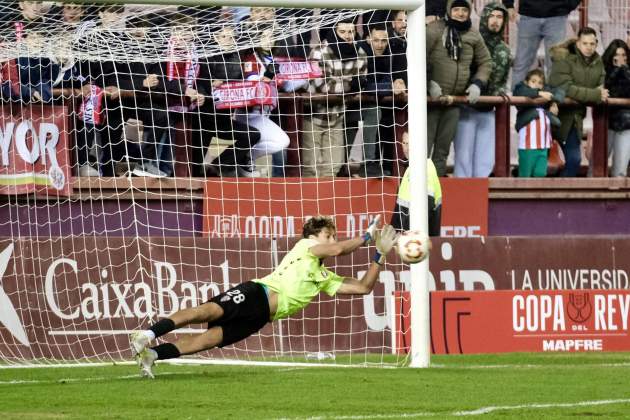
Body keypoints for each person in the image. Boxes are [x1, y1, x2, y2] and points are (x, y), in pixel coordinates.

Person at [129, 215, 399, 378]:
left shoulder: (323, 278)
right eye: (328, 235)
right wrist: (366, 236)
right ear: (314, 236)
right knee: (205, 312)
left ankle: (152, 354)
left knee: (208, 340)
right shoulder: (306, 247)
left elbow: (363, 287)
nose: (332, 240)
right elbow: (339, 250)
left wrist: (380, 254)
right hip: (256, 293)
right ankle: (148, 335)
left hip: (260, 317)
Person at [426, 0, 492, 176]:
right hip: (429, 101)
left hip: (454, 101)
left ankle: (436, 187)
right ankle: (415, 188)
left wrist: (477, 83)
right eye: (456, 9)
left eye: (464, 10)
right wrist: (428, 83)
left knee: (443, 150)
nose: (461, 13)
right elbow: (417, 57)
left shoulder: (474, 34)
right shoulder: (433, 29)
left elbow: (486, 62)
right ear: (449, 10)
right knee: (423, 148)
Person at [302, 18, 368, 177]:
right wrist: (350, 85)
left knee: (334, 166)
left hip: (337, 117)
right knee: (310, 168)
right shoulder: (319, 52)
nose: (348, 35)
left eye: (351, 31)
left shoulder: (361, 54)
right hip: (312, 116)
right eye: (343, 32)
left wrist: (351, 85)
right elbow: (322, 85)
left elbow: (362, 82)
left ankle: (326, 202)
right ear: (334, 32)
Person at [453, 2, 511, 178]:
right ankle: (462, 200)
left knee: (485, 161)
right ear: (485, 18)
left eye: (500, 17)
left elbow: (502, 80)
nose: (495, 21)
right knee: (463, 158)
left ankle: (480, 200)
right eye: (492, 16)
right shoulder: (471, 42)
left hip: (489, 110)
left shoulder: (505, 50)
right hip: (466, 108)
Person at [548, 27, 607, 177]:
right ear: (578, 43)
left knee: (574, 160)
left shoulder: (598, 62)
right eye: (585, 43)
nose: (589, 47)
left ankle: (560, 196)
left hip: (573, 120)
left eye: (592, 44)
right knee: (538, 164)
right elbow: (565, 88)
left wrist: (594, 93)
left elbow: (602, 86)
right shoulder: (564, 58)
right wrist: (594, 94)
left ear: (596, 43)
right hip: (550, 116)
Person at [510, 0, 582, 91]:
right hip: (528, 16)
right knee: (521, 63)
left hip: (557, 17)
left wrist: (567, 5)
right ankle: (515, 101)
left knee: (555, 64)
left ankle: (554, 102)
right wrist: (508, 4)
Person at [514, 69, 564, 177]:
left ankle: (536, 194)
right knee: (525, 175)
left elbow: (560, 91)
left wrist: (554, 102)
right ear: (526, 82)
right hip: (527, 146)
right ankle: (521, 194)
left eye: (540, 83)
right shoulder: (522, 90)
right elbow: (519, 91)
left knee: (540, 174)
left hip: (544, 145)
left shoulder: (546, 99)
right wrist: (539, 93)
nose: (536, 85)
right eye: (533, 81)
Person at [391, 132, 441, 236]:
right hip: (408, 238)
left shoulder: (426, 166)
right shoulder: (408, 168)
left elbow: (427, 203)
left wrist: (411, 231)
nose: (407, 148)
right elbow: (400, 208)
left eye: (410, 143)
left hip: (418, 238)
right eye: (404, 143)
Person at [602, 39, 630, 177]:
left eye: (624, 55)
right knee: (596, 167)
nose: (621, 58)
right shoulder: (603, 70)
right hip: (603, 122)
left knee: (619, 171)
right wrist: (617, 70)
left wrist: (623, 69)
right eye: (618, 55)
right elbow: (607, 88)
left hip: (625, 123)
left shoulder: (628, 71)